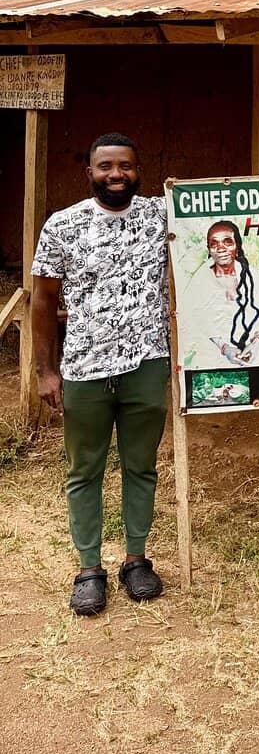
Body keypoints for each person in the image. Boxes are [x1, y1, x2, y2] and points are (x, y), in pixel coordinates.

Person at [32, 133, 170, 616]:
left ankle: (136, 561)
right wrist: (46, 371)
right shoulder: (63, 226)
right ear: (89, 172)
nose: (116, 174)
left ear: (139, 170)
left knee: (141, 466)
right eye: (106, 166)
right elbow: (44, 302)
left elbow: (223, 201)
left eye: (126, 166)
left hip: (147, 363)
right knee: (84, 469)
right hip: (85, 368)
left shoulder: (161, 215)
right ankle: (89, 568)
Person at [180, 220, 259, 370]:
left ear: (237, 246)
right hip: (213, 359)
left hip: (256, 356)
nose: (220, 248)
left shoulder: (254, 276)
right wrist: (224, 348)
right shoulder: (199, 281)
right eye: (214, 244)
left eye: (227, 242)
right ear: (209, 250)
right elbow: (191, 320)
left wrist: (256, 342)